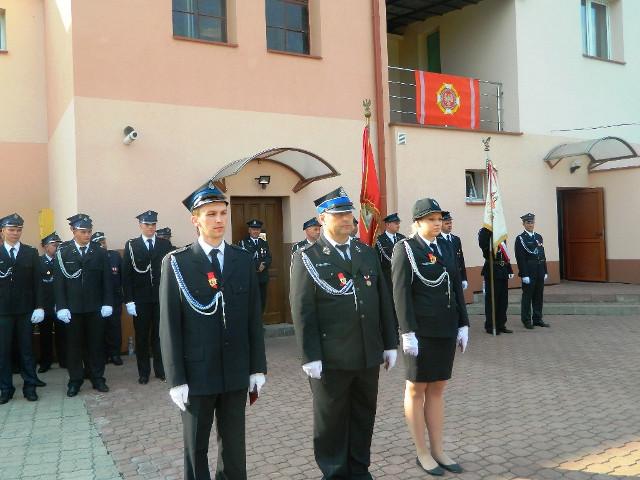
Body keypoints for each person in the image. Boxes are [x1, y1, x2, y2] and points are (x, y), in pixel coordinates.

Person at [160, 182, 266, 480]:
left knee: (234, 448)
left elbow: (252, 319)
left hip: (234, 371)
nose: (219, 220)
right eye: (210, 214)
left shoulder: (241, 259)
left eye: (222, 213)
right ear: (195, 219)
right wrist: (176, 379)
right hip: (197, 373)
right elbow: (169, 326)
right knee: (196, 448)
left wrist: (257, 367)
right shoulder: (177, 263)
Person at [290, 186, 398, 479]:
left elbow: (382, 299)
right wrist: (310, 355)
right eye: (338, 214)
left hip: (366, 352)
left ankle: (360, 471)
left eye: (348, 213)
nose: (347, 219)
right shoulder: (308, 257)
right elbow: (302, 310)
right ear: (322, 218)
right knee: (332, 422)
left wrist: (389, 342)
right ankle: (335, 473)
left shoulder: (365, 252)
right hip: (331, 357)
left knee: (363, 416)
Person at [392, 198, 469, 476]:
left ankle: (438, 449)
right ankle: (422, 452)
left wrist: (463, 323)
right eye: (431, 219)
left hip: (445, 327)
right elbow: (400, 293)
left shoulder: (446, 246)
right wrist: (407, 332)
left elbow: (456, 285)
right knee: (416, 389)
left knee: (438, 387)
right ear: (417, 222)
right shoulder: (406, 249)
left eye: (439, 219)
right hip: (420, 331)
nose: (437, 224)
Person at [54, 214, 113, 397]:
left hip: (95, 308)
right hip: (73, 309)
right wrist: (61, 306)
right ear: (73, 231)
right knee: (73, 347)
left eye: (89, 232)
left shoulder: (99, 252)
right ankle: (75, 380)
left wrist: (107, 303)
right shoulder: (63, 252)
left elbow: (107, 280)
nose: (87, 235)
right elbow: (59, 283)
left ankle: (97, 378)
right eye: (83, 232)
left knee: (96, 345)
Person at [122, 211, 173, 384]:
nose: (151, 227)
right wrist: (129, 300)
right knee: (142, 337)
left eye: (153, 224)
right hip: (140, 299)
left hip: (160, 298)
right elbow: (126, 275)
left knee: (159, 335)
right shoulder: (132, 245)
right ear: (140, 225)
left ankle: (160, 370)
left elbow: (170, 271)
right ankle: (143, 372)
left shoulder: (164, 244)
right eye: (147, 224)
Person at [0, 213, 46, 404]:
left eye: (18, 230)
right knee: (3, 352)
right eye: (11, 229)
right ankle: (6, 388)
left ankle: (30, 386)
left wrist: (39, 307)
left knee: (27, 350)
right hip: (3, 312)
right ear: (2, 231)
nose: (15, 233)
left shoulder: (30, 252)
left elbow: (38, 283)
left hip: (25, 310)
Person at [91, 231, 124, 365]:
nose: (102, 245)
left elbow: (122, 276)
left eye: (103, 242)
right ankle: (103, 355)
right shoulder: (91, 257)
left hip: (115, 298)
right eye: (99, 243)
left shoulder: (115, 256)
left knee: (115, 327)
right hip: (98, 300)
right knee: (99, 329)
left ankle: (115, 354)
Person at [515, 213, 549, 329]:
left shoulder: (538, 237)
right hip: (529, 272)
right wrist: (524, 274)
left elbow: (542, 255)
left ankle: (537, 319)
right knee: (527, 297)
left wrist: (545, 270)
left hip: (539, 271)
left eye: (532, 222)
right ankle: (526, 320)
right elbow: (520, 258)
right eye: (528, 222)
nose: (530, 225)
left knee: (538, 296)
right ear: (523, 224)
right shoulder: (521, 238)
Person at [478, 227, 514, 334]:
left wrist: (509, 268)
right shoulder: (485, 231)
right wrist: (488, 231)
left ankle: (501, 324)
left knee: (503, 300)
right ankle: (491, 325)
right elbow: (483, 245)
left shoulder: (501, 231)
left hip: (503, 270)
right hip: (492, 269)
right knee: (492, 300)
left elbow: (504, 252)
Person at [38, 232, 64, 372]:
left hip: (60, 304)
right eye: (54, 245)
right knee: (45, 335)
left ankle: (64, 360)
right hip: (45, 305)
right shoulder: (38, 262)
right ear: (45, 247)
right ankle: (45, 362)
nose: (57, 247)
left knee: (63, 334)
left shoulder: (62, 260)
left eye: (58, 244)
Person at [238, 220, 271, 313]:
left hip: (262, 278)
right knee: (251, 302)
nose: (256, 231)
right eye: (253, 229)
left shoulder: (264, 243)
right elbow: (243, 259)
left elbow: (269, 257)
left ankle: (260, 321)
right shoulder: (243, 243)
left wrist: (264, 265)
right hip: (250, 278)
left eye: (258, 229)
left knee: (262, 301)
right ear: (249, 230)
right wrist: (257, 266)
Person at [438, 211, 468, 290]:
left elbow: (461, 260)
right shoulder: (436, 240)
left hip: (457, 278)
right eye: (447, 223)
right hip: (445, 279)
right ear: (441, 224)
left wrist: (464, 278)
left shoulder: (456, 239)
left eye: (450, 223)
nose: (450, 225)